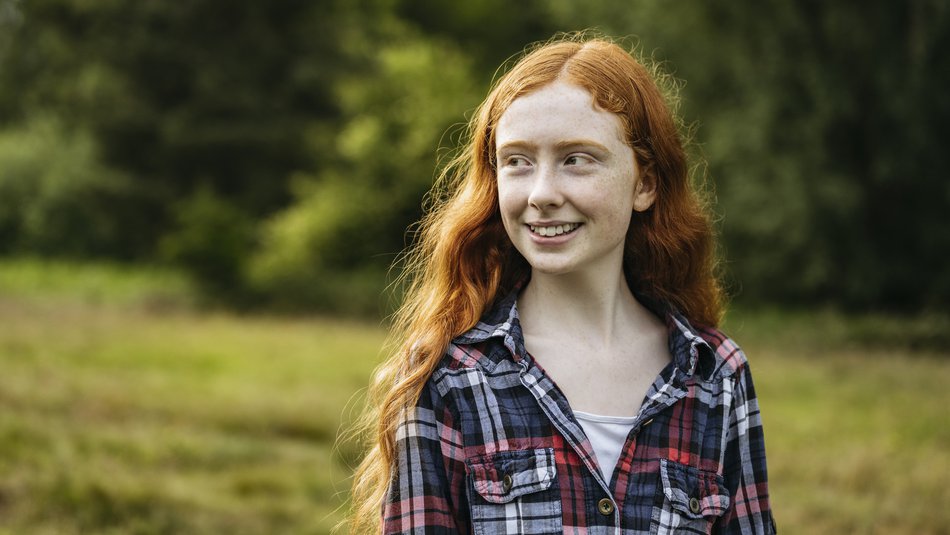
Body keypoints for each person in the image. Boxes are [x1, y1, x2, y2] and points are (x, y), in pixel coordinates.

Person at [348, 34, 776, 534]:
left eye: (577, 158)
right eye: (517, 161)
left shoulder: (716, 375)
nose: (542, 193)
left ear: (645, 183)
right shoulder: (448, 375)